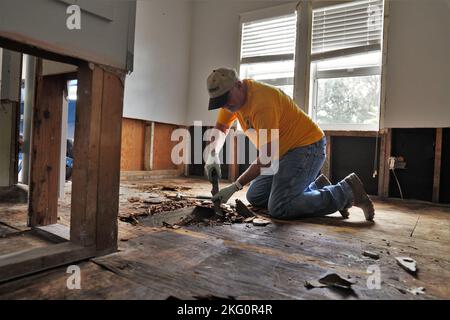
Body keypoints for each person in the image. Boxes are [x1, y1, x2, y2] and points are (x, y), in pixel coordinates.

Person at [204, 68, 374, 221]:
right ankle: (318, 187)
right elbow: (221, 128)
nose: (225, 105)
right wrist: (213, 154)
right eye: (220, 102)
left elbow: (266, 158)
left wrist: (235, 186)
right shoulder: (231, 102)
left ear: (238, 85)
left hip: (306, 148)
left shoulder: (262, 103)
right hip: (281, 154)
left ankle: (346, 192)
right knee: (255, 195)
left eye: (226, 99)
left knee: (279, 207)